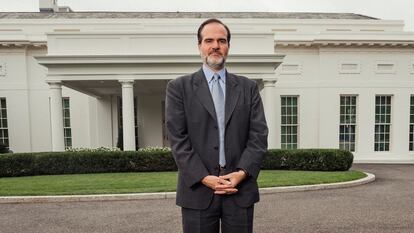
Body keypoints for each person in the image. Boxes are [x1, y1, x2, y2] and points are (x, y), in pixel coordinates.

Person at [166, 18, 268, 233]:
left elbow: (258, 136)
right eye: (209, 40)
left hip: (239, 189)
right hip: (197, 191)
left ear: (228, 46)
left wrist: (241, 173)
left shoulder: (248, 88)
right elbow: (178, 139)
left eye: (221, 40)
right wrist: (204, 177)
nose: (215, 46)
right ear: (199, 46)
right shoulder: (178, 88)